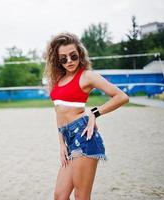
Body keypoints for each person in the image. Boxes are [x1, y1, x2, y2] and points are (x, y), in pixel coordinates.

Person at [44, 32, 129, 200]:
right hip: (68, 140)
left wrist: (95, 113)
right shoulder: (57, 79)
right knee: (60, 196)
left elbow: (122, 96)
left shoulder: (87, 76)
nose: (69, 61)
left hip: (84, 137)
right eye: (63, 58)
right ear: (57, 60)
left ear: (80, 55)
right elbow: (59, 113)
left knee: (81, 196)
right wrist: (62, 144)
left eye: (73, 56)